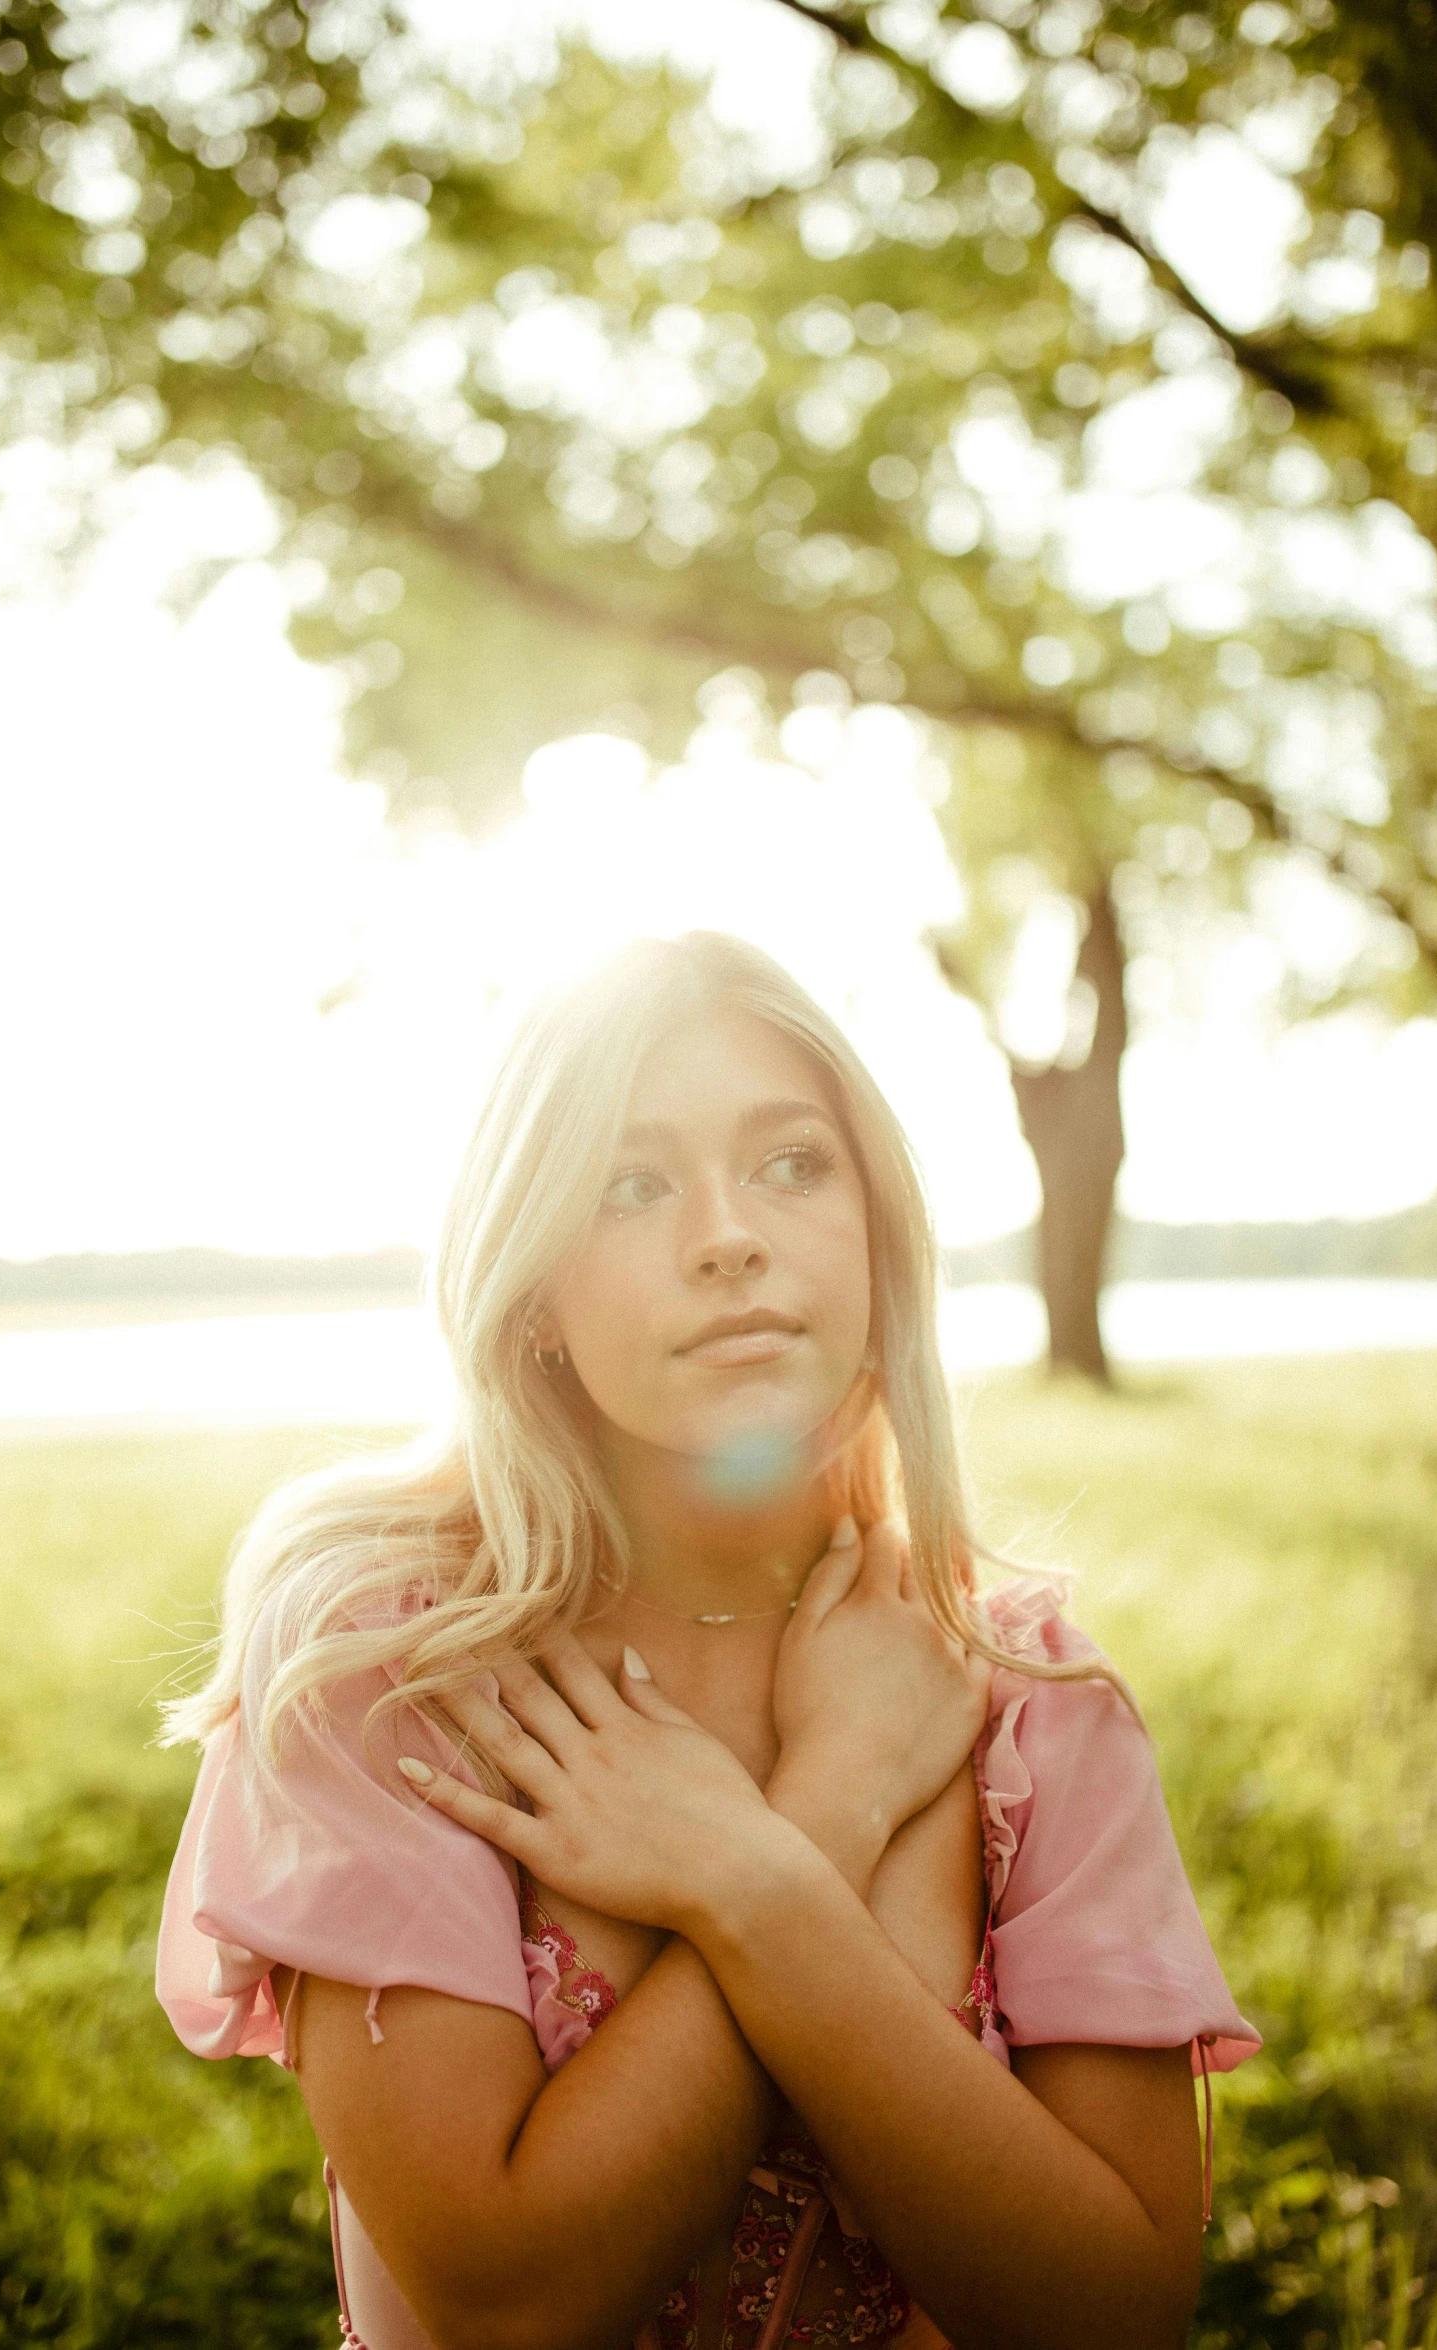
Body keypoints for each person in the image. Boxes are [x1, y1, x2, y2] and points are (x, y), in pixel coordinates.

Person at [157, 930, 1259, 2350]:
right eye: (631, 1184)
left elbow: (1112, 2314)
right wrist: (834, 1803)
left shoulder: (1022, 1690)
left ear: (877, 1233)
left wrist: (758, 1872)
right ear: (534, 1281)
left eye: (792, 1162)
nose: (728, 1232)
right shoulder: (385, 1664)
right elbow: (503, 2301)